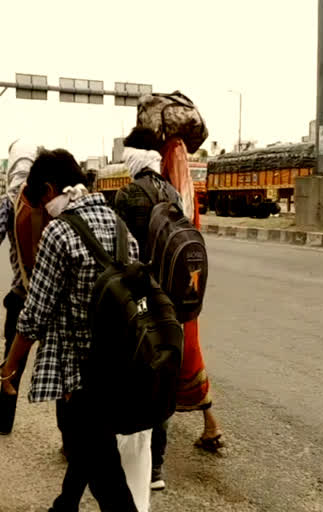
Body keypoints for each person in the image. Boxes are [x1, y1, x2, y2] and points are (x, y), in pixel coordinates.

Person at [0, 149, 145, 512]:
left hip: (81, 373)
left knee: (105, 474)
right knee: (89, 445)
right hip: (121, 364)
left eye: (36, 202)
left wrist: (10, 365)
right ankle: (64, 506)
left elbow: (34, 316)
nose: (38, 211)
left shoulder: (59, 233)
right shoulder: (121, 226)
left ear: (49, 191)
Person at [112, 128, 185, 492]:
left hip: (138, 297)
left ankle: (131, 465)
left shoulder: (127, 195)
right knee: (162, 376)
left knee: (134, 377)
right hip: (170, 299)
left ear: (133, 161)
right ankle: (156, 468)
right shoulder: (173, 191)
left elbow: (118, 249)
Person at [160, 136, 224, 455]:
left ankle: (150, 452)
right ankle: (209, 424)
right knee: (187, 350)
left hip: (171, 284)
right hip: (187, 284)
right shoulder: (186, 194)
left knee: (172, 354)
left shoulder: (170, 196)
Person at [0, 141, 39, 435]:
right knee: (66, 366)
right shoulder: (52, 192)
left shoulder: (10, 199)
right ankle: (70, 441)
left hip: (23, 294)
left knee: (13, 359)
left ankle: (4, 418)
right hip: (56, 295)